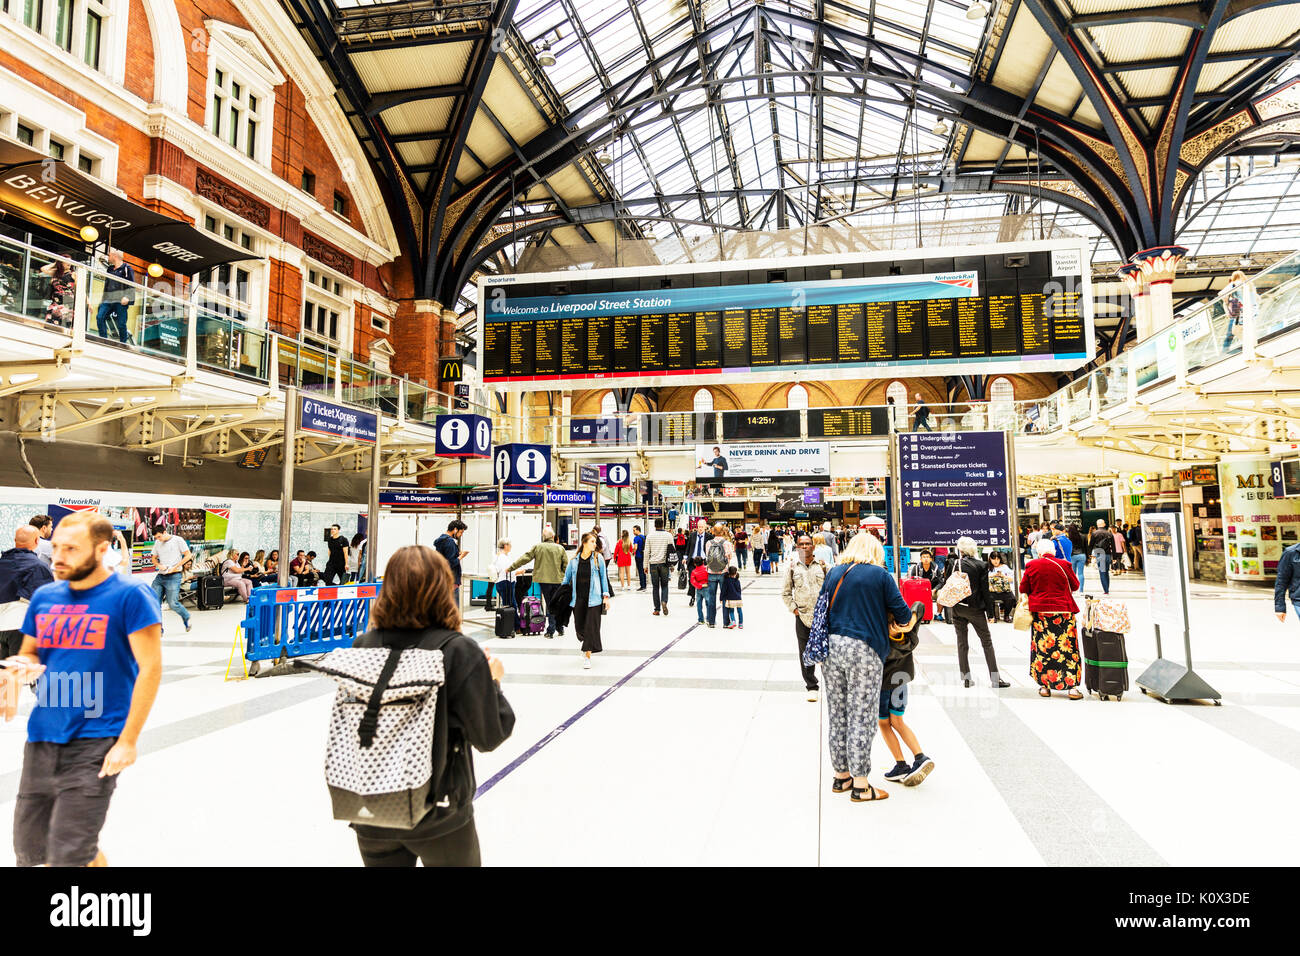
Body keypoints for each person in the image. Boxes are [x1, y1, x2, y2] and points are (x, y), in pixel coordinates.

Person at [2, 511, 163, 867]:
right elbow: (30, 652)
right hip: (43, 736)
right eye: (56, 546)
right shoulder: (45, 598)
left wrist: (128, 740)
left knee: (69, 852)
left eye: (72, 548)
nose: (58, 557)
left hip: (98, 738)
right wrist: (19, 669)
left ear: (101, 548)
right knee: (30, 851)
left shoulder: (131, 596)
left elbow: (150, 669)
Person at [348, 545, 513, 866]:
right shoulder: (457, 651)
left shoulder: (364, 646)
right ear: (443, 588)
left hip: (372, 811)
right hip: (439, 813)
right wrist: (491, 681)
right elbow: (490, 735)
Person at [818, 531, 916, 803]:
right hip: (865, 649)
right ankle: (861, 785)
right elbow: (904, 615)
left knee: (838, 713)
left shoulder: (834, 573)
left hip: (832, 647)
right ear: (875, 552)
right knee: (862, 714)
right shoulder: (880, 575)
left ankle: (842, 776)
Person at [942, 537, 1009, 689]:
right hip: (975, 609)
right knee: (986, 642)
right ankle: (995, 679)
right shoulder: (981, 565)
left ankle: (966, 678)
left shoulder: (953, 563)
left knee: (962, 642)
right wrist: (991, 614)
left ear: (960, 550)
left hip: (957, 607)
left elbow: (948, 583)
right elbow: (986, 591)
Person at [1021, 537, 1083, 699]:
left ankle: (1044, 687)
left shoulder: (1031, 565)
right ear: (1053, 551)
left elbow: (1023, 587)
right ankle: (1072, 689)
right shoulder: (1064, 565)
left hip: (1041, 614)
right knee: (1068, 648)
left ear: (1039, 552)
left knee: (1043, 648)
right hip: (1064, 612)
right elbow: (1075, 585)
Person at [878, 611, 934, 787]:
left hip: (884, 686)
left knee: (884, 723)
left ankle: (901, 764)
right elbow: (920, 605)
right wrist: (911, 622)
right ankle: (919, 757)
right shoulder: (909, 634)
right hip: (901, 682)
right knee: (898, 721)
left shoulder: (883, 644)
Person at [782, 533, 826, 702]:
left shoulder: (823, 566)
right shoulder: (793, 568)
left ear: (813, 547)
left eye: (808, 544)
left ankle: (832, 683)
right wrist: (794, 610)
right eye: (802, 544)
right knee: (805, 652)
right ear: (797, 547)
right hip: (803, 617)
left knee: (826, 651)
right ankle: (811, 686)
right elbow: (786, 593)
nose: (805, 546)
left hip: (823, 618)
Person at [0, 526, 55, 658]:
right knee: (22, 673)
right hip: (21, 627)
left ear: (15, 540)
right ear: (37, 541)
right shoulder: (39, 567)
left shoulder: (2, 563)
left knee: (3, 674)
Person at [561, 532, 612, 670]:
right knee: (580, 629)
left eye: (595, 542)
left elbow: (603, 578)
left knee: (590, 628)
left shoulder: (598, 558)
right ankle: (586, 644)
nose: (595, 544)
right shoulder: (574, 561)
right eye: (592, 542)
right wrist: (561, 597)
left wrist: (605, 597)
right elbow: (566, 580)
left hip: (594, 600)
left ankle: (588, 655)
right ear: (584, 543)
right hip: (577, 600)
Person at [507, 528, 568, 637]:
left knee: (550, 604)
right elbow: (565, 565)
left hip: (544, 581)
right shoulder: (560, 548)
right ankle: (559, 627)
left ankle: (552, 630)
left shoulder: (538, 547)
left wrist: (512, 567)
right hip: (558, 580)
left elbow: (525, 558)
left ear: (543, 537)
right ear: (553, 537)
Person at [150, 524, 193, 633]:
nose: (158, 539)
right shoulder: (157, 543)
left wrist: (176, 566)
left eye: (159, 536)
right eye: (156, 538)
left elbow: (188, 555)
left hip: (174, 576)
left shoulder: (178, 540)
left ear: (165, 532)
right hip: (160, 576)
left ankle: (186, 617)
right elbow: (153, 558)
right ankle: (158, 628)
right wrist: (158, 565)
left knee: (172, 603)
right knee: (154, 602)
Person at [95, 248, 135, 344]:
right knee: (100, 317)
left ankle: (123, 344)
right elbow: (107, 285)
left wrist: (128, 297)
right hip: (108, 300)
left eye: (109, 255)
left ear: (115, 256)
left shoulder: (127, 268)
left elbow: (132, 284)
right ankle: (103, 339)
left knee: (121, 324)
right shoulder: (110, 269)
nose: (108, 257)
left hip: (120, 300)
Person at [702, 523, 733, 629]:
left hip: (711, 572)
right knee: (724, 597)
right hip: (723, 572)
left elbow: (707, 556)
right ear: (723, 532)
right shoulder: (727, 543)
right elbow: (729, 558)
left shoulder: (708, 543)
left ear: (713, 532)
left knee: (711, 598)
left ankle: (711, 622)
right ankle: (725, 622)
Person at [643, 518, 675, 617]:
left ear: (654, 525)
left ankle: (657, 609)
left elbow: (646, 552)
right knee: (665, 585)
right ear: (663, 525)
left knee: (655, 587)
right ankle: (664, 601)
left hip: (653, 564)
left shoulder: (650, 536)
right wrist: (672, 565)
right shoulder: (668, 535)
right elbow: (672, 551)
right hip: (664, 564)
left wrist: (645, 566)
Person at [433, 520, 468, 603]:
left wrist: (457, 553)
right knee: (454, 608)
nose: (461, 535)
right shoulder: (450, 542)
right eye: (461, 532)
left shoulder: (441, 540)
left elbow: (445, 557)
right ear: (455, 529)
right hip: (451, 580)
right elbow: (451, 562)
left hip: (442, 579)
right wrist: (461, 556)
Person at [39, 258, 75, 326]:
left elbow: (80, 289)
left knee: (63, 327)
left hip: (67, 304)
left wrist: (88, 303)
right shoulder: (56, 273)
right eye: (67, 261)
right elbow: (43, 269)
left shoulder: (73, 274)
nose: (69, 263)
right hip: (55, 304)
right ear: (61, 262)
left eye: (71, 261)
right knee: (49, 325)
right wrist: (56, 262)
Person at [1221, 269, 1249, 351]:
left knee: (1232, 332)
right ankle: (1247, 343)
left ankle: (1225, 351)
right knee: (1237, 330)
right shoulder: (1247, 284)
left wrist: (1226, 302)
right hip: (1244, 310)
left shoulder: (1233, 285)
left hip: (1237, 312)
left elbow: (1222, 295)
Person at [488, 538, 516, 616]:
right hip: (506, 582)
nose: (511, 546)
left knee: (508, 605)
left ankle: (510, 625)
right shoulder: (502, 557)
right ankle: (514, 626)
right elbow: (507, 570)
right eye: (509, 544)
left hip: (502, 582)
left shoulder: (498, 556)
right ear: (505, 546)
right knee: (511, 606)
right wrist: (519, 571)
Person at [987, 551, 1017, 623]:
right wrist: (993, 575)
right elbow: (983, 578)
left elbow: (1011, 579)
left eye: (998, 559)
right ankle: (992, 616)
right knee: (988, 598)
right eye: (994, 559)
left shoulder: (1004, 567)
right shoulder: (987, 567)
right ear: (990, 559)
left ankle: (1006, 616)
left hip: (1004, 590)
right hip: (991, 590)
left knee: (1011, 598)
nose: (996, 561)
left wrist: (1003, 576)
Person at [1088, 518, 1114, 594]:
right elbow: (1113, 546)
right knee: (1107, 571)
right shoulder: (1109, 533)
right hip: (1108, 554)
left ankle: (1106, 590)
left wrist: (1089, 554)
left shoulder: (1094, 533)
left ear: (1097, 525)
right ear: (1104, 524)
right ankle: (1107, 588)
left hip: (1099, 554)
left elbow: (1091, 545)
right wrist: (1114, 557)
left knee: (1102, 572)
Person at [690, 557, 709, 624]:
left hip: (699, 589)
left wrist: (699, 585)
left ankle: (701, 619)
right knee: (708, 604)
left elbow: (692, 581)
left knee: (699, 604)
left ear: (695, 564)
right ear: (703, 562)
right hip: (707, 587)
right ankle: (709, 618)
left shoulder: (694, 571)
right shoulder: (706, 569)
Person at [632, 525, 647, 591]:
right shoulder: (644, 537)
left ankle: (642, 586)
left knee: (640, 571)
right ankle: (645, 585)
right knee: (643, 570)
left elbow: (635, 547)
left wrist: (633, 552)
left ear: (638, 530)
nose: (633, 532)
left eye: (634, 530)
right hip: (644, 555)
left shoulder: (636, 538)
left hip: (638, 556)